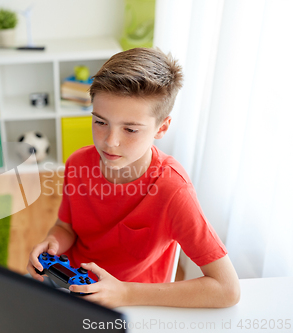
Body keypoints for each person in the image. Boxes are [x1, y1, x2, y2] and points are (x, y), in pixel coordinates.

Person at [26, 48, 240, 308]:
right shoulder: (77, 163)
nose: (110, 142)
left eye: (130, 129)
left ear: (161, 128)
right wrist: (53, 243)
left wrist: (126, 294)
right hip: (69, 281)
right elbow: (66, 227)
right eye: (100, 122)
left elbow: (227, 289)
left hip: (131, 303)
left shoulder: (173, 190)